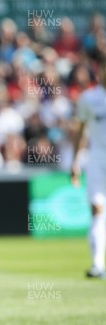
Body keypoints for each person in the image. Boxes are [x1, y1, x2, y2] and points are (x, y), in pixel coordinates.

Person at [71, 60, 106, 279]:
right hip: (97, 160)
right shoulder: (89, 98)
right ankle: (97, 265)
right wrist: (75, 161)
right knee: (97, 211)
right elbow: (81, 131)